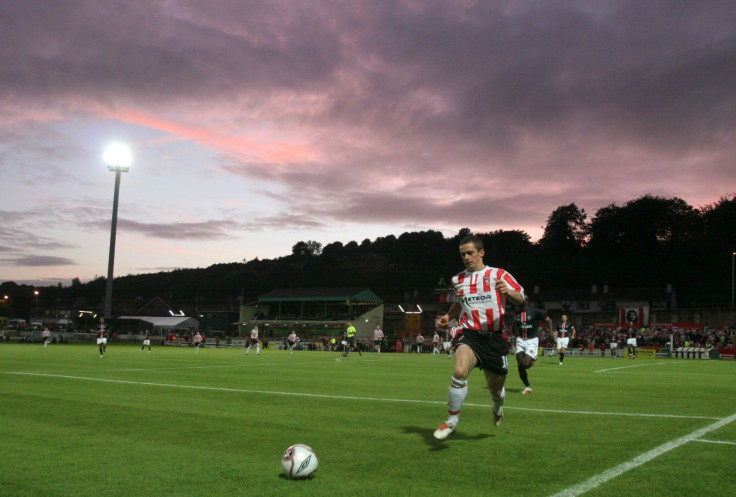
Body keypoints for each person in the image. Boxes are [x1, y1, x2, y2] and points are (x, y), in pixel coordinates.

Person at [434, 235, 525, 440]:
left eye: (470, 253)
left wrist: (509, 293)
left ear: (481, 253)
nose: (466, 257)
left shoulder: (498, 274)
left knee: (496, 390)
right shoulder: (458, 280)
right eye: (462, 254)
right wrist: (449, 316)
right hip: (469, 334)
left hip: (494, 339)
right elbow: (460, 302)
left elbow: (523, 299)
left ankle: (497, 406)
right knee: (459, 371)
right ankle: (452, 421)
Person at [513, 306, 551, 394]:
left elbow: (549, 320)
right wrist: (514, 321)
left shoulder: (534, 312)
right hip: (520, 340)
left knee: (525, 364)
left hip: (532, 340)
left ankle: (533, 359)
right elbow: (514, 331)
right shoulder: (517, 314)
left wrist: (550, 332)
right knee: (520, 365)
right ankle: (528, 387)